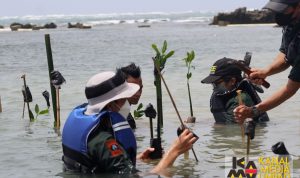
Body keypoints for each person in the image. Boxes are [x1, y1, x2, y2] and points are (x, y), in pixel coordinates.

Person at [62, 70, 198, 175]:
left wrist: (138, 158)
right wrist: (174, 151)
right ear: (111, 104)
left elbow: (100, 162)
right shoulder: (103, 139)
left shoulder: (88, 123)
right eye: (123, 98)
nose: (126, 102)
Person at [234, 0, 300, 124]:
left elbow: (290, 89)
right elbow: (286, 54)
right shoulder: (291, 22)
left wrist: (254, 110)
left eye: (283, 9)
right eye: (276, 9)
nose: (279, 13)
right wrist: (266, 71)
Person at [201, 57, 269, 124]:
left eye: (216, 84)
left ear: (232, 81)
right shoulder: (223, 95)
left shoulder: (240, 100)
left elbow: (231, 129)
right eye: (212, 84)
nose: (214, 88)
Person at [120, 63, 143, 129]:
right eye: (133, 88)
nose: (138, 94)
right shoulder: (124, 120)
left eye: (140, 88)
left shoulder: (125, 114)